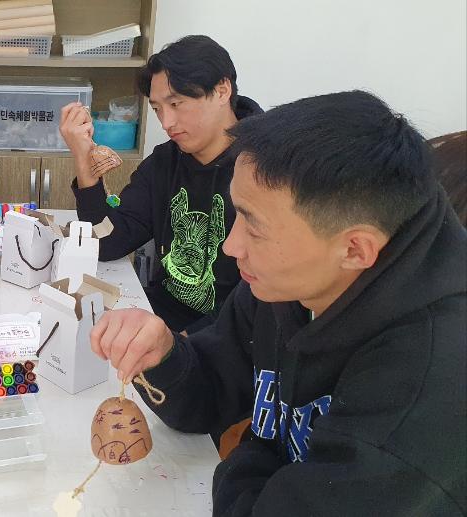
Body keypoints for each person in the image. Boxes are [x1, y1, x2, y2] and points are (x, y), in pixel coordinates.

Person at [91, 91, 466, 514]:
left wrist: (252, 448)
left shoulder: (426, 388)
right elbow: (208, 395)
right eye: (237, 214)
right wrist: (164, 353)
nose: (231, 247)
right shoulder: (286, 285)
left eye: (254, 227)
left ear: (354, 249)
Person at [60, 35, 262, 333]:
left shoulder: (268, 169)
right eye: (157, 109)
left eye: (176, 104)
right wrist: (83, 158)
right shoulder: (165, 162)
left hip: (228, 339)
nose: (166, 123)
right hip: (159, 318)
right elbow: (107, 242)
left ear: (222, 90)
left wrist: (183, 344)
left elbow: (265, 300)